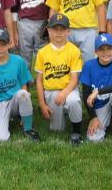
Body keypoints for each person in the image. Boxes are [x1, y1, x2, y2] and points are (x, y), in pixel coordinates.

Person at [0, 28, 41, 142]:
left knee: (23, 94)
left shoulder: (18, 60)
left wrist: (24, 106)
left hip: (15, 101)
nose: (0, 48)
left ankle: (28, 128)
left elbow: (24, 84)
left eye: (3, 44)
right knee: (0, 139)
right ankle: (2, 121)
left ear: (9, 44)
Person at [35, 13, 84, 145]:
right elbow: (39, 81)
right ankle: (63, 112)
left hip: (69, 89)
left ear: (68, 31)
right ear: (49, 30)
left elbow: (75, 79)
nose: (58, 33)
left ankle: (76, 132)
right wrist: (42, 104)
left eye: (62, 29)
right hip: (51, 91)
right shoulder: (42, 52)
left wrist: (65, 92)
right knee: (57, 130)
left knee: (73, 101)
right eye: (55, 29)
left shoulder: (74, 51)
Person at [80, 33, 112, 149]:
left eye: (109, 48)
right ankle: (107, 120)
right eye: (101, 49)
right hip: (100, 104)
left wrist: (98, 91)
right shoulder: (89, 65)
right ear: (96, 51)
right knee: (94, 139)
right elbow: (86, 94)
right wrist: (93, 117)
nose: (105, 52)